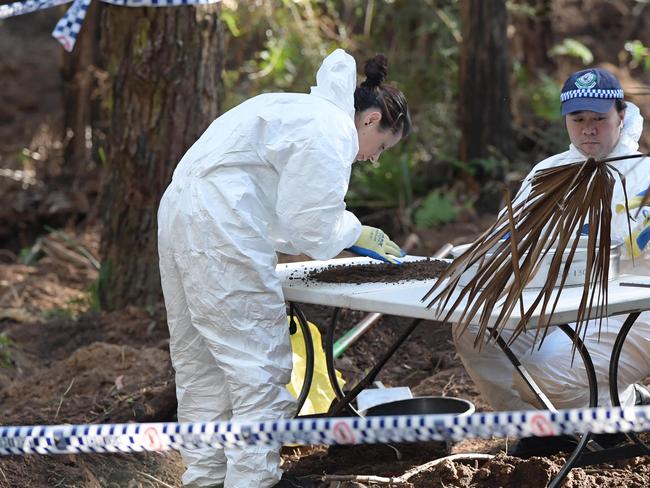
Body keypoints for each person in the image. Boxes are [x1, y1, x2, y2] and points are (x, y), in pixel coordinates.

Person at [157, 49, 410, 488]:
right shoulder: (329, 129)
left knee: (200, 362)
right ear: (370, 120)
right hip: (222, 221)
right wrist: (352, 231)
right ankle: (252, 481)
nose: (374, 158)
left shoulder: (297, 110)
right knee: (257, 364)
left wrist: (341, 232)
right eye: (382, 146)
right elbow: (309, 220)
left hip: (182, 212)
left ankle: (206, 478)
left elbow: (281, 212)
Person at [452, 67, 650, 453]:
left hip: (632, 312)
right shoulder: (548, 172)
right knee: (473, 332)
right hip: (556, 304)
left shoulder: (642, 177)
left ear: (621, 116)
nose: (588, 129)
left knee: (543, 368)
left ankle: (616, 415)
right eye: (578, 119)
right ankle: (543, 425)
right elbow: (507, 240)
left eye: (599, 119)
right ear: (566, 120)